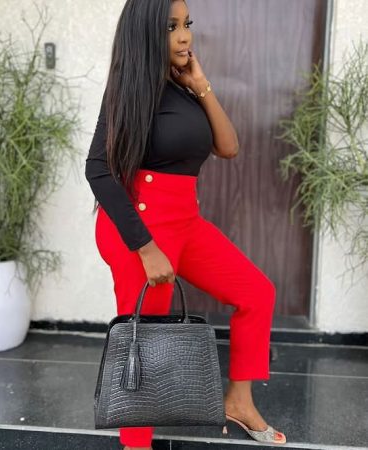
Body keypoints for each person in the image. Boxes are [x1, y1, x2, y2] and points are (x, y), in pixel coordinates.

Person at [84, 0, 287, 448]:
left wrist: (201, 85)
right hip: (139, 226)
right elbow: (97, 168)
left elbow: (228, 147)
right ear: (145, 32)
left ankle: (239, 401)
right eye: (171, 27)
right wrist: (145, 247)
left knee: (256, 293)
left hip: (184, 221)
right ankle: (135, 444)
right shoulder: (129, 88)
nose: (184, 36)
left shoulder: (183, 88)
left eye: (186, 24)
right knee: (146, 339)